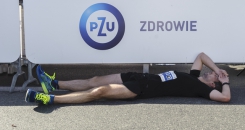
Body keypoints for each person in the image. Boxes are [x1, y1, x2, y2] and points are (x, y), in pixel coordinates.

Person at [25, 52, 231, 105]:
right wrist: (218, 69)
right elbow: (201, 56)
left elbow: (225, 98)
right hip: (138, 76)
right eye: (215, 72)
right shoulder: (194, 75)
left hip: (142, 89)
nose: (213, 72)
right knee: (95, 80)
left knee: (99, 92)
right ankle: (52, 84)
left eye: (214, 75)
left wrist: (225, 82)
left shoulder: (201, 89)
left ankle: (50, 99)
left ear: (213, 83)